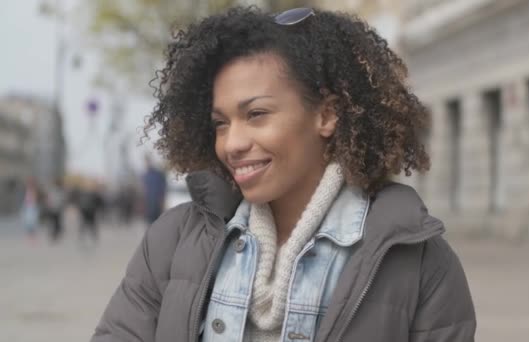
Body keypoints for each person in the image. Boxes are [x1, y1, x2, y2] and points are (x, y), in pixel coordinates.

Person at [92, 7, 475, 342]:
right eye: (220, 123)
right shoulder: (171, 242)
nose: (232, 143)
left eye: (255, 114)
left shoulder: (421, 262)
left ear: (326, 115)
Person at [142, 155, 167, 225]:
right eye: (146, 162)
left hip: (157, 200)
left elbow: (163, 187)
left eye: (148, 161)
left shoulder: (158, 174)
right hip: (149, 201)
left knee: (157, 218)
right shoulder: (146, 175)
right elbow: (145, 188)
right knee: (150, 219)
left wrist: (162, 198)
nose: (147, 163)